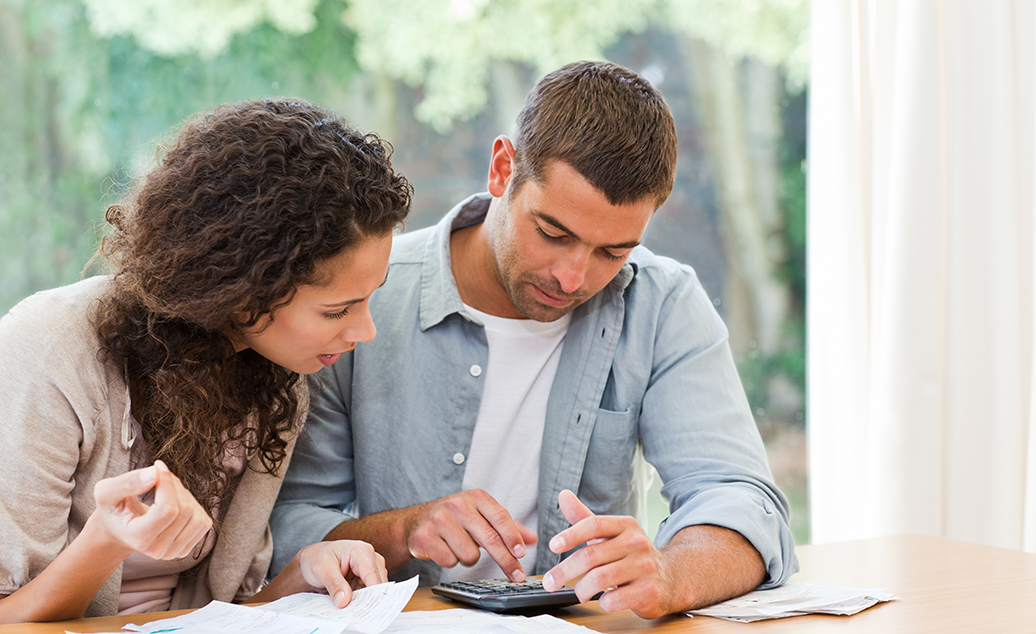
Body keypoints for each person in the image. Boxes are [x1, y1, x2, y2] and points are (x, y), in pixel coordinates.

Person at [270, 62, 797, 619]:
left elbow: (743, 503)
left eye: (612, 252)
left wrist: (672, 571)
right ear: (502, 169)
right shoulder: (362, 302)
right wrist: (402, 530)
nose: (573, 278)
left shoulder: (662, 304)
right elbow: (284, 523)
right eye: (552, 233)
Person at [0, 98, 413, 623]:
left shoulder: (276, 383)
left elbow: (220, 614)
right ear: (245, 291)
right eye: (338, 310)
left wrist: (302, 573)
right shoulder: (50, 350)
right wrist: (106, 539)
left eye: (370, 297)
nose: (365, 331)